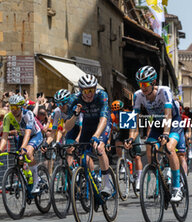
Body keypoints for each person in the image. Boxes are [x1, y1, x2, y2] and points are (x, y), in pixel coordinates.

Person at [124, 65, 184, 202]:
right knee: (150, 147)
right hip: (157, 123)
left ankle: (176, 188)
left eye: (145, 84)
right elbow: (135, 119)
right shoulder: (138, 95)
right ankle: (161, 177)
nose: (143, 87)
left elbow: (168, 115)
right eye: (140, 84)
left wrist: (166, 134)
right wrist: (131, 138)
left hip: (173, 122)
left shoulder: (164, 91)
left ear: (153, 83)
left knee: (169, 148)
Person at [65, 75, 113, 197]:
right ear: (81, 90)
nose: (89, 94)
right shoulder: (74, 99)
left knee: (99, 148)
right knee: (83, 157)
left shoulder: (101, 95)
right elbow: (67, 127)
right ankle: (91, 182)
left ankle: (107, 184)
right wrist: (75, 115)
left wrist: (97, 136)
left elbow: (103, 117)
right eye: (86, 91)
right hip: (87, 124)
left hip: (102, 123)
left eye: (91, 90)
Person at [0, 95, 43, 193]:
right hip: (22, 136)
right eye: (12, 107)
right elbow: (5, 136)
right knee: (19, 159)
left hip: (35, 135)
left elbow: (28, 134)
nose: (14, 109)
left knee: (28, 153)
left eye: (16, 107)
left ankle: (37, 180)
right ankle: (28, 178)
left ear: (21, 107)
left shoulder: (28, 114)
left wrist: (23, 148)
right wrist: (0, 150)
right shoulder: (8, 117)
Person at [107, 100, 143, 191]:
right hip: (122, 132)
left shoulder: (129, 114)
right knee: (118, 144)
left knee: (137, 156)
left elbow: (135, 129)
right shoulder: (112, 116)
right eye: (115, 111)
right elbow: (109, 131)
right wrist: (108, 142)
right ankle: (123, 162)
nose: (117, 113)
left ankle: (139, 178)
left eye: (119, 111)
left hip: (133, 133)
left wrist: (131, 139)